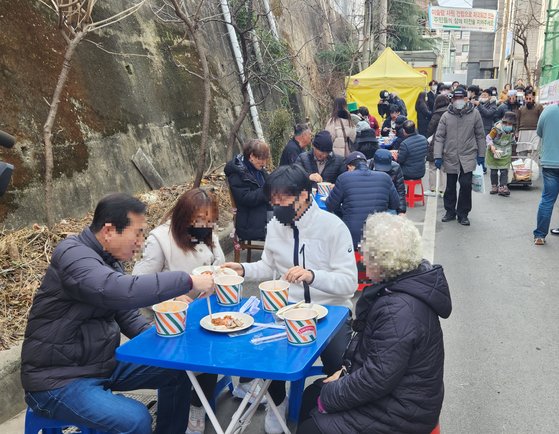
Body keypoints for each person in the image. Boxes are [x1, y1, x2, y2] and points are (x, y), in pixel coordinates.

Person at [20, 193, 215, 434]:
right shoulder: (72, 255)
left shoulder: (109, 260)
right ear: (109, 231)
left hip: (99, 364)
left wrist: (166, 344)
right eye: (138, 233)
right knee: (135, 419)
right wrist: (188, 281)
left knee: (177, 369)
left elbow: (127, 314)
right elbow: (120, 291)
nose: (141, 242)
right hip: (57, 379)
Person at [223, 164, 357, 434]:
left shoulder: (333, 227)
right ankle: (278, 403)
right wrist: (244, 270)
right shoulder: (275, 225)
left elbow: (349, 283)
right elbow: (267, 267)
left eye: (283, 198)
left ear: (305, 195)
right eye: (273, 199)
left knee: (342, 365)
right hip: (285, 311)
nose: (276, 205)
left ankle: (342, 414)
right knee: (266, 354)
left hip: (330, 313)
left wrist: (312, 275)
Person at [296, 213, 451, 434]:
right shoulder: (405, 285)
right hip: (406, 394)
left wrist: (331, 394)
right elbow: (380, 361)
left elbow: (376, 379)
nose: (362, 255)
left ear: (383, 260)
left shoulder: (398, 309)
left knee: (312, 425)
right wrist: (343, 374)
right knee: (313, 394)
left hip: (403, 412)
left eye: (366, 250)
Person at [131, 188, 228, 434]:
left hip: (203, 309)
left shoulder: (208, 235)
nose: (205, 226)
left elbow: (218, 265)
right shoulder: (160, 239)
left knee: (212, 349)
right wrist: (173, 296)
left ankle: (198, 407)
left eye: (209, 221)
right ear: (183, 217)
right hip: (169, 316)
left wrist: (219, 277)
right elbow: (138, 284)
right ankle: (172, 418)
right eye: (199, 220)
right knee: (178, 367)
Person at [434, 87, 486, 226]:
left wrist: (481, 154)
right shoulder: (446, 116)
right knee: (450, 186)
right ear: (452, 99)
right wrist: (437, 155)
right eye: (455, 98)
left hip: (468, 154)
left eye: (461, 98)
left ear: (466, 98)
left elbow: (480, 135)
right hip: (450, 154)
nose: (458, 101)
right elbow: (439, 137)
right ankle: (450, 211)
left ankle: (463, 213)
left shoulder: (474, 114)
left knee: (465, 184)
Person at [326, 151, 399, 247]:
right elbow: (395, 204)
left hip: (352, 236)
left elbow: (330, 205)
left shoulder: (344, 178)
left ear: (349, 167)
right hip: (378, 234)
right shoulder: (385, 177)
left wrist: (343, 210)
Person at [224, 139, 271, 243]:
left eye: (265, 159)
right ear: (251, 156)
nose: (264, 162)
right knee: (286, 227)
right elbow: (246, 198)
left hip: (263, 212)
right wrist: (267, 191)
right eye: (261, 159)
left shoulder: (257, 169)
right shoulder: (237, 173)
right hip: (250, 221)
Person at [533, 103, 559, 245]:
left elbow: (539, 132)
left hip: (550, 162)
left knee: (548, 200)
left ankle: (540, 235)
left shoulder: (548, 111)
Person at [486, 112, 517, 197]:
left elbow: (512, 141)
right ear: (502, 122)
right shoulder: (496, 129)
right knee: (494, 170)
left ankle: (503, 187)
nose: (507, 125)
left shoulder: (512, 130)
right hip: (494, 152)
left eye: (510, 124)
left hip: (505, 153)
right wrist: (491, 146)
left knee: (504, 171)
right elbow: (488, 137)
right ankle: (494, 186)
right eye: (505, 123)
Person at [425, 95, 449, 196]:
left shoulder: (437, 114)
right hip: (448, 142)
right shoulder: (451, 112)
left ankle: (432, 189)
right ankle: (443, 190)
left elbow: (431, 128)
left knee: (432, 166)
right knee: (444, 168)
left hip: (436, 141)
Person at [370, 149, 407, 215]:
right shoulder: (368, 166)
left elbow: (400, 190)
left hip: (389, 204)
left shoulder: (396, 168)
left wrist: (401, 211)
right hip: (371, 202)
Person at [516, 91, 544, 155]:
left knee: (535, 151)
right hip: (522, 131)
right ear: (524, 98)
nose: (528, 100)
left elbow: (542, 119)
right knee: (522, 151)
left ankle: (533, 165)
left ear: (533, 98)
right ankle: (522, 164)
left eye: (530, 98)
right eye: (527, 98)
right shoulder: (521, 108)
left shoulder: (539, 107)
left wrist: (542, 131)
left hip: (535, 131)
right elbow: (518, 120)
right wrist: (516, 131)